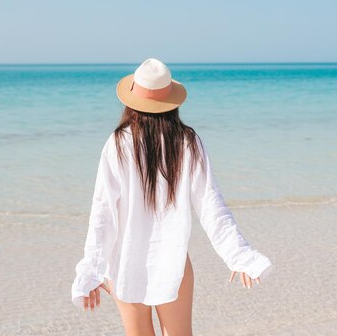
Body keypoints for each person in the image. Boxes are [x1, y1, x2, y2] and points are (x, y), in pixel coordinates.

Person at [71, 58, 273, 336]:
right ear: (171, 102)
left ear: (131, 100)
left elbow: (102, 213)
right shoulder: (188, 141)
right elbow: (210, 204)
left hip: (124, 260)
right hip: (173, 258)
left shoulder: (118, 143)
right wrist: (239, 256)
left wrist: (91, 270)